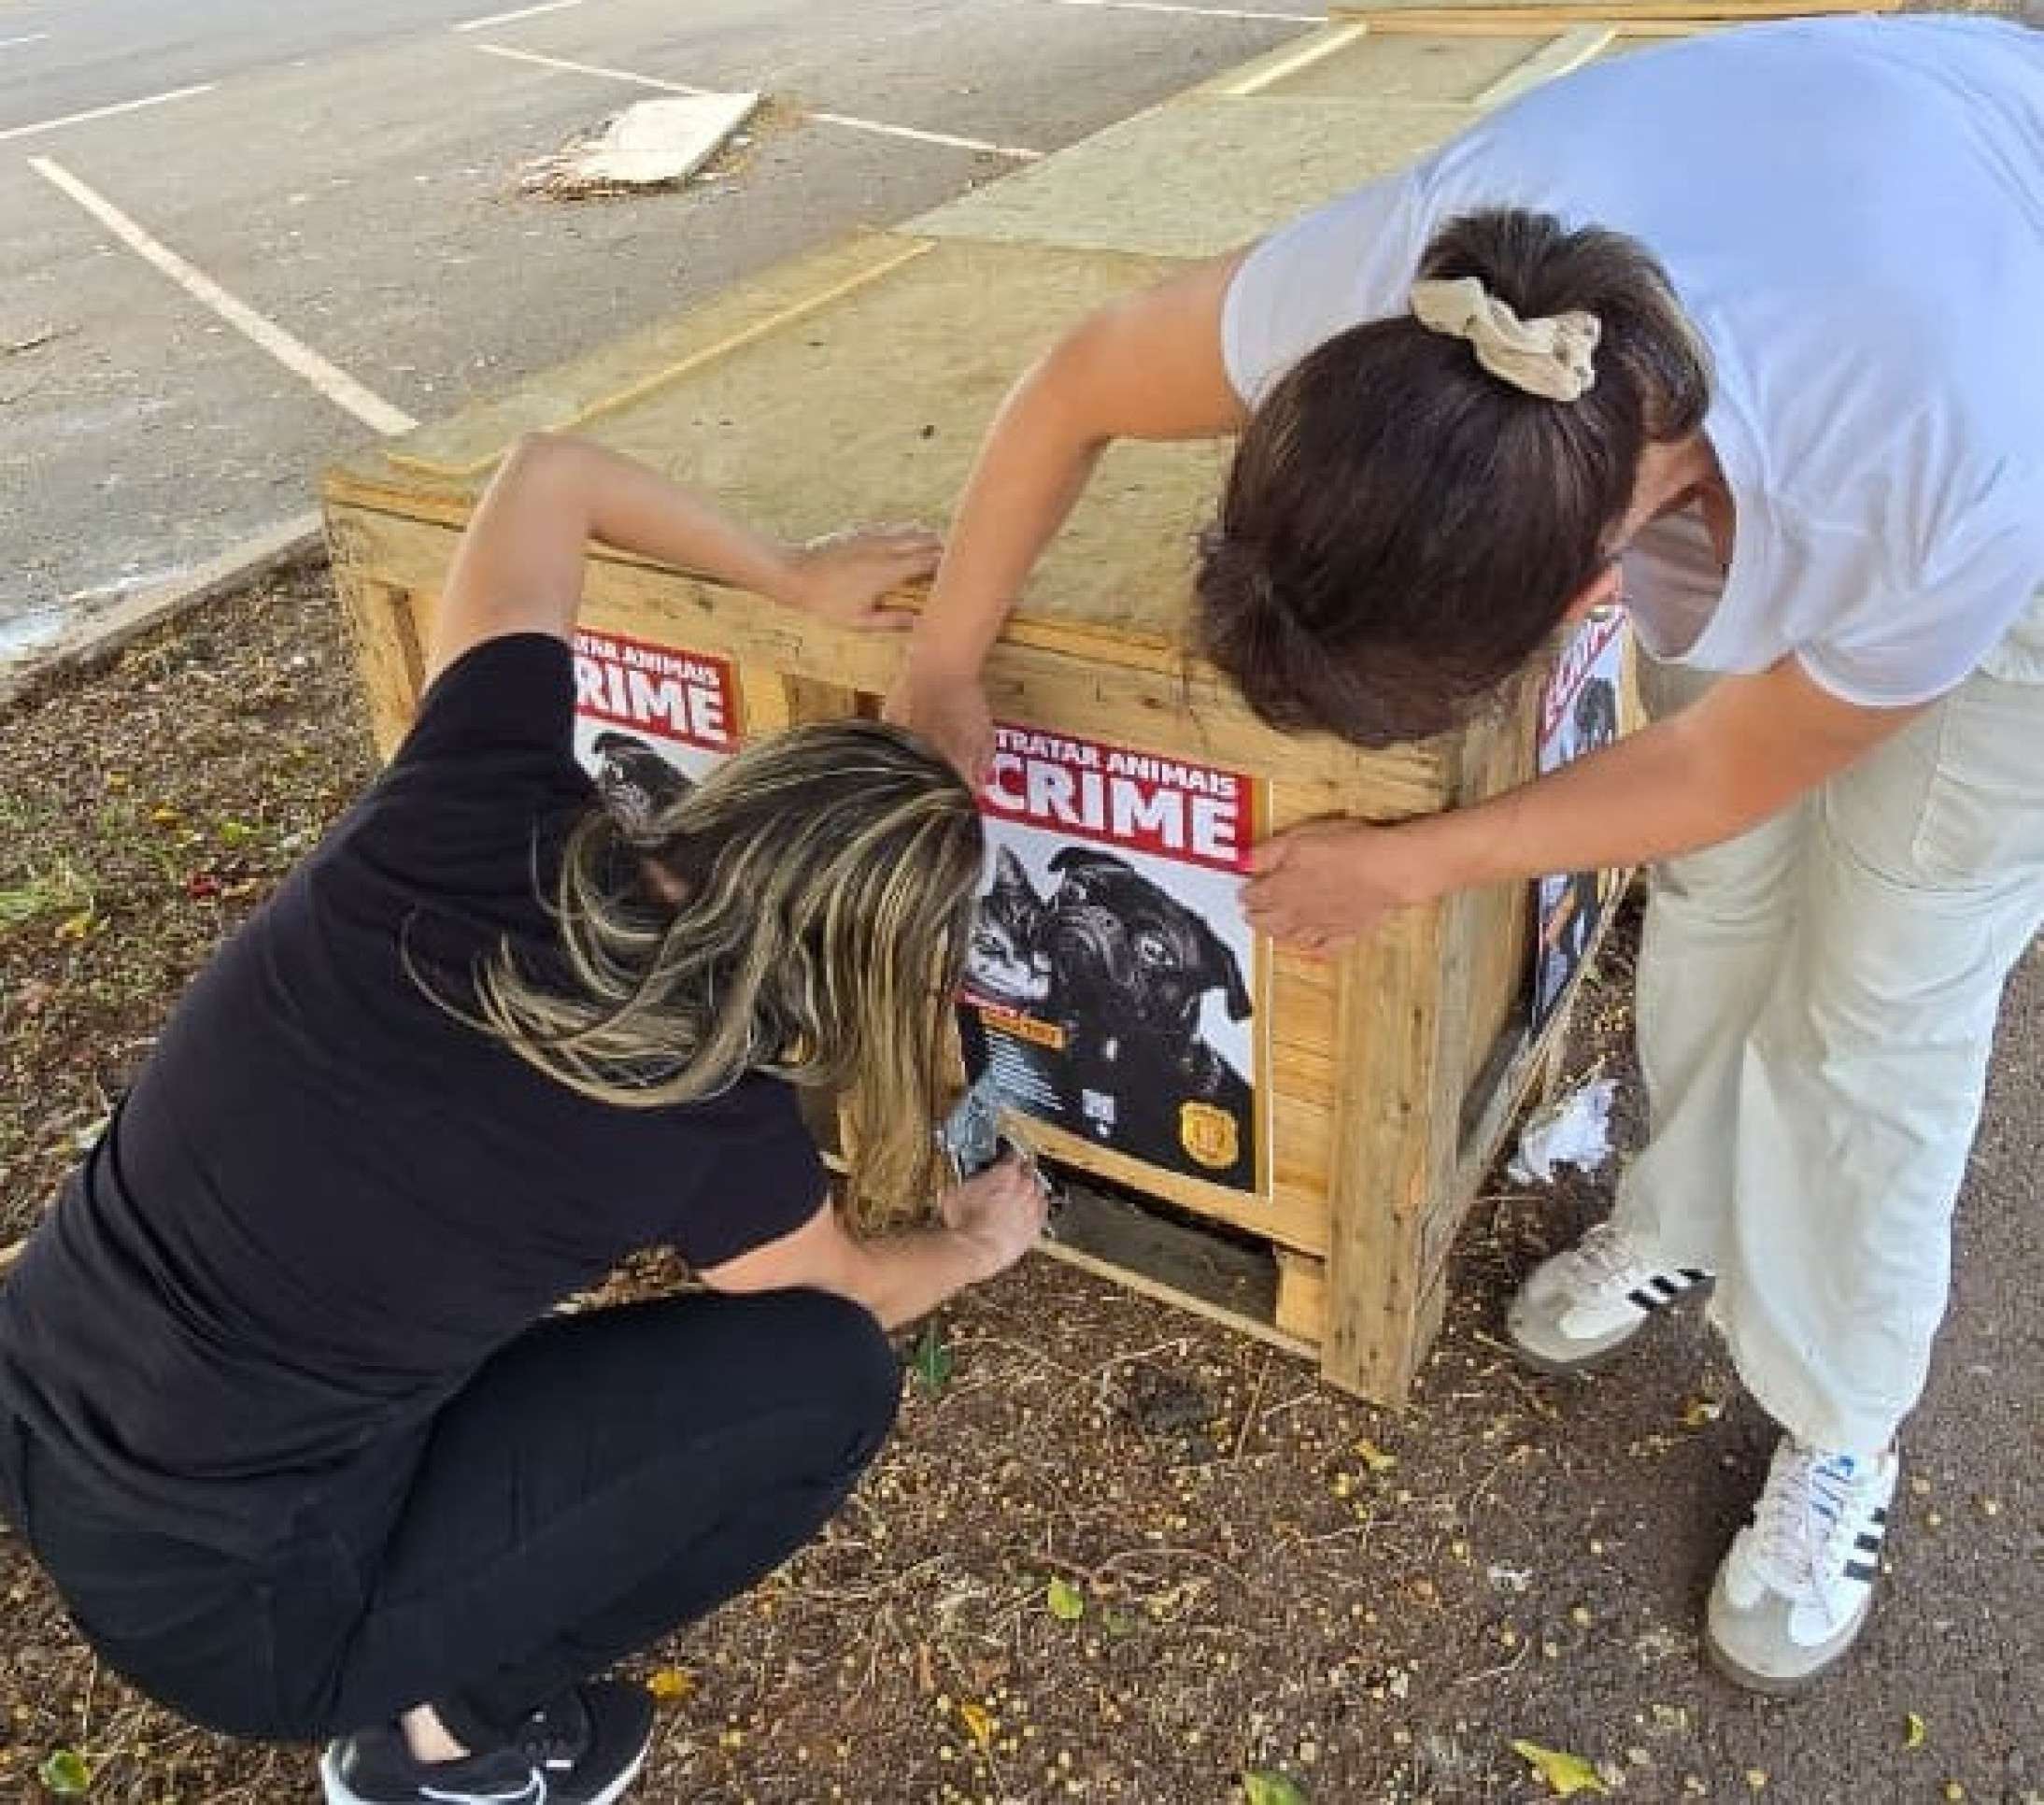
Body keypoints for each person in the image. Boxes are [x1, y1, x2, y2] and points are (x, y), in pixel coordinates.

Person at [888, 16, 2044, 1691]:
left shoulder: (1937, 470)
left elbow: (1726, 763)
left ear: (1588, 593)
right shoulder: (1420, 301)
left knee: (1880, 993)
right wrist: (942, 658)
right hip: (1843, 216)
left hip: (2007, 419)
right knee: (1722, 897)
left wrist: (1419, 861)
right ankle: (1685, 1215)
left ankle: (1839, 1416)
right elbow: (1079, 380)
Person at [0, 432, 1049, 1805]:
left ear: (743, 786)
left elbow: (547, 476)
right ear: (864, 970)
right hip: (245, 1616)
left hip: (43, 1381)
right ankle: (444, 1742)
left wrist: (790, 575)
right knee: (828, 1381)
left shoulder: (474, 785)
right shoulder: (703, 1103)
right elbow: (844, 1292)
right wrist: (973, 1245)